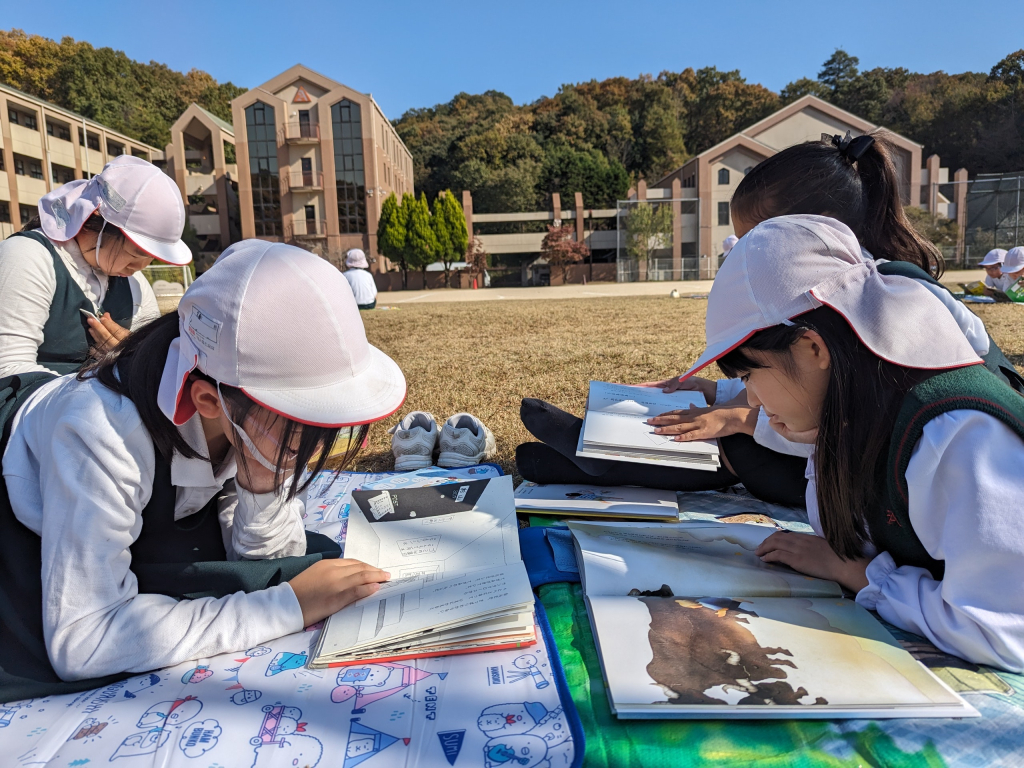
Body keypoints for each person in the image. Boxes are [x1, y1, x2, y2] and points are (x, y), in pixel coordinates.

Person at [0, 239, 406, 701]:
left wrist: (260, 482)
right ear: (209, 400)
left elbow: (268, 559)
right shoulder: (100, 430)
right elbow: (84, 638)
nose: (310, 449)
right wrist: (286, 607)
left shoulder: (242, 418)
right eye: (298, 428)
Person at [516, 131, 1021, 502]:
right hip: (865, 465)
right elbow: (803, 379)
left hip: (898, 482)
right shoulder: (840, 301)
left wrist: (738, 417)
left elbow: (860, 415)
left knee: (746, 444)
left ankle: (608, 466)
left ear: (813, 236)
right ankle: (604, 452)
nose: (743, 258)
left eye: (757, 245)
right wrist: (717, 392)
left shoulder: (902, 304)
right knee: (744, 418)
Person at [687, 215, 1024, 671]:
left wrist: (856, 574)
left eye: (750, 374)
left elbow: (1003, 631)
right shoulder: (857, 412)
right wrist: (813, 444)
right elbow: (843, 533)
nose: (750, 397)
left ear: (813, 348)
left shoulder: (958, 436)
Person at [0, 155, 192, 377]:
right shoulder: (27, 256)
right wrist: (115, 373)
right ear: (95, 222)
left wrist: (135, 355)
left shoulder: (135, 284)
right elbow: (9, 368)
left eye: (152, 257)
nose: (139, 267)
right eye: (136, 253)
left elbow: (155, 369)